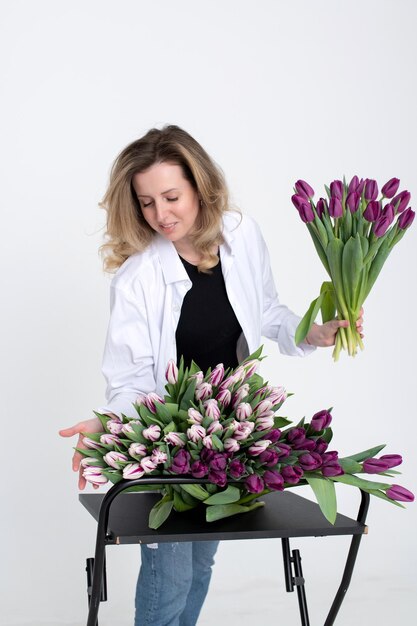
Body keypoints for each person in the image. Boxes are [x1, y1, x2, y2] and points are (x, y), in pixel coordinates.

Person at [59, 125, 363, 626]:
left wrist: (314, 332)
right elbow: (130, 379)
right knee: (170, 576)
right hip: (167, 440)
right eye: (147, 202)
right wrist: (110, 423)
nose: (161, 215)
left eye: (172, 196)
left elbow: (267, 313)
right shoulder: (139, 277)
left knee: (201, 566)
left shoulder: (242, 236)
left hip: (228, 437)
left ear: (200, 186)